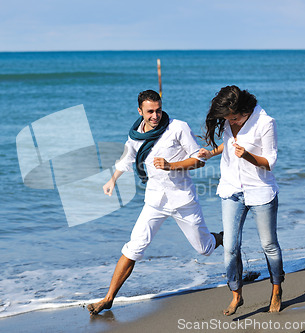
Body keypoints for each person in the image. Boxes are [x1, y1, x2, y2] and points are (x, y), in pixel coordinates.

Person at [87, 90, 223, 315]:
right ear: (140, 111)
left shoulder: (177, 127)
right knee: (134, 247)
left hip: (182, 200)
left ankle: (221, 238)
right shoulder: (135, 135)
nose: (155, 115)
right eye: (150, 111)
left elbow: (199, 160)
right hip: (154, 201)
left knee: (205, 249)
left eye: (158, 110)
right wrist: (112, 180)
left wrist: (171, 165)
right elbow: (127, 159)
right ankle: (108, 298)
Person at [198, 85, 284, 315]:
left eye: (234, 118)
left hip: (260, 191)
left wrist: (247, 155)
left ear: (245, 110)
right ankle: (236, 294)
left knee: (269, 245)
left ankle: (276, 290)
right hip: (231, 189)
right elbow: (229, 144)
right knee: (231, 247)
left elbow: (270, 161)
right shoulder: (230, 119)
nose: (231, 122)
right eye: (228, 119)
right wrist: (211, 152)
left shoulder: (266, 123)